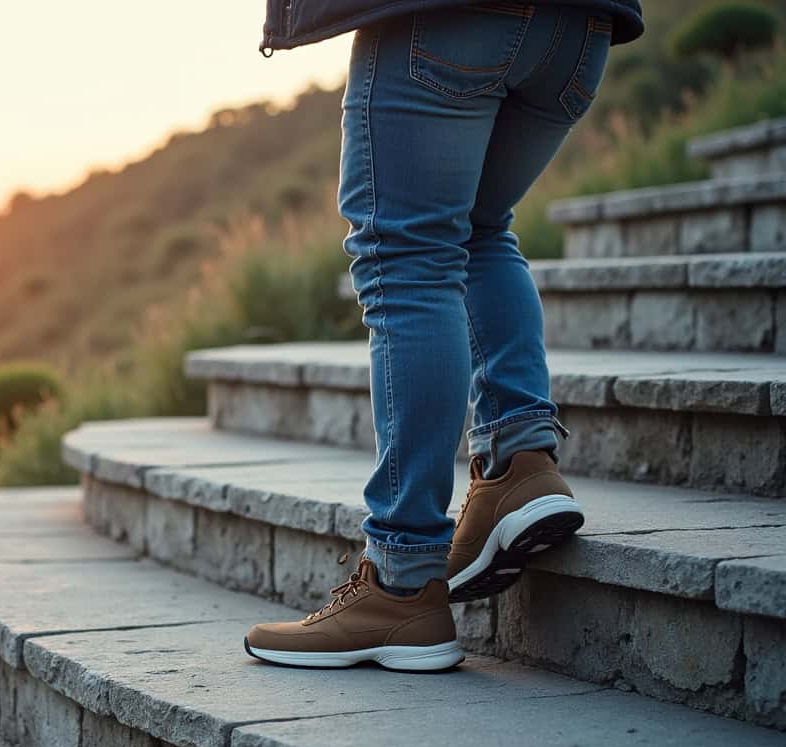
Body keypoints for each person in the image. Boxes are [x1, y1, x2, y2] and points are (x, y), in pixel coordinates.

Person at [244, 0, 644, 671]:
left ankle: (402, 578)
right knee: (482, 229)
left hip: (448, 20)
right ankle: (518, 463)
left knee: (406, 260)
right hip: (579, 27)